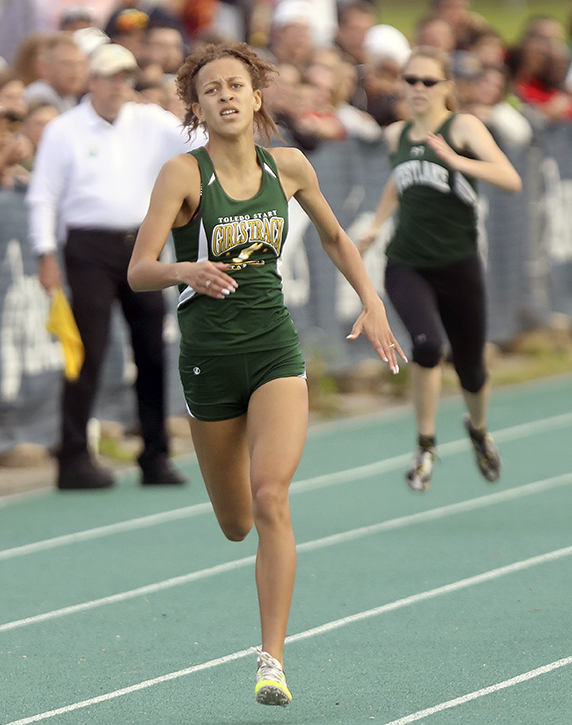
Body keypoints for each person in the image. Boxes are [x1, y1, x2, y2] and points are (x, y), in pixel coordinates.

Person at [127, 42, 405, 706]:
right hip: (207, 361)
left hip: (274, 351)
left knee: (272, 495)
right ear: (195, 106)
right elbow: (138, 270)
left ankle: (271, 659)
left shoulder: (290, 166)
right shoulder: (182, 175)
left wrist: (370, 300)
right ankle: (243, 527)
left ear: (257, 98)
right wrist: (183, 269)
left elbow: (337, 237)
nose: (225, 96)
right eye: (211, 89)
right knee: (236, 521)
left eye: (236, 85)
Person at [27, 43, 191, 490]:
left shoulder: (150, 121)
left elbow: (197, 140)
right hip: (86, 248)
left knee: (152, 350)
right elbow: (43, 195)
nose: (121, 86)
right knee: (89, 352)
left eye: (126, 77)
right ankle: (73, 456)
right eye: (112, 77)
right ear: (93, 81)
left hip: (140, 244)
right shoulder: (65, 129)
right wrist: (46, 254)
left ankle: (155, 455)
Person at [358, 45, 522, 492]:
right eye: (410, 80)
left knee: (471, 369)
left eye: (428, 81)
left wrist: (456, 160)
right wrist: (376, 224)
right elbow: (398, 177)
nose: (417, 89)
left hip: (458, 264)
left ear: (447, 87)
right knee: (428, 347)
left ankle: (479, 430)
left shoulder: (463, 126)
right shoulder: (396, 135)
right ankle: (425, 444)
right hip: (407, 263)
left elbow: (510, 179)